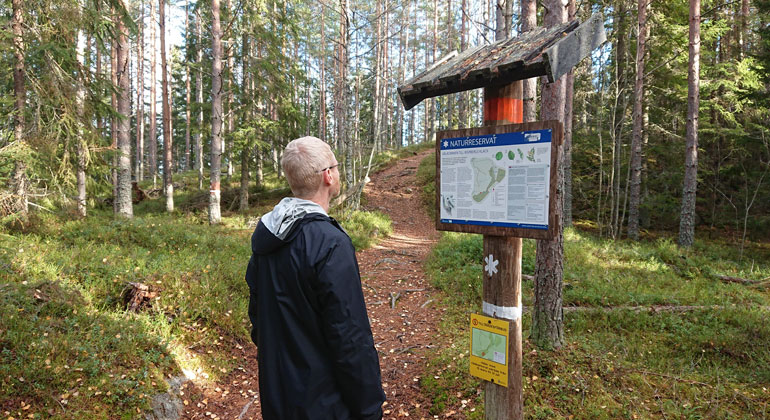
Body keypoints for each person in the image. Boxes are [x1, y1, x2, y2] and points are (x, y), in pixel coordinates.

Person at [245, 136, 386, 420]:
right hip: (325, 404)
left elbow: (258, 320)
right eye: (336, 166)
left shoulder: (268, 236)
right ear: (328, 176)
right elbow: (349, 336)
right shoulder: (330, 242)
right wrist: (369, 408)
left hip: (278, 396)